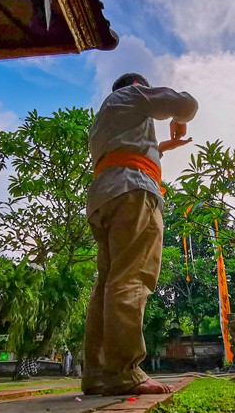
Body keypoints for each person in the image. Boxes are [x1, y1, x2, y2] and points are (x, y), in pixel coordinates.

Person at [83, 73, 198, 396]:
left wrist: (163, 146)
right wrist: (180, 121)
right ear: (137, 87)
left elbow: (127, 147)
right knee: (132, 278)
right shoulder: (135, 95)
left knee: (107, 283)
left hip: (105, 195)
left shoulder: (104, 117)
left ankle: (97, 373)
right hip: (134, 191)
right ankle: (123, 371)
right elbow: (187, 104)